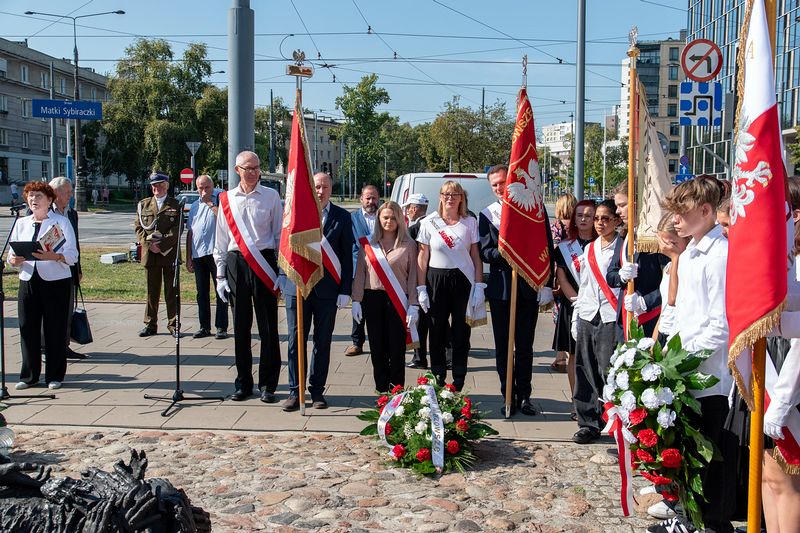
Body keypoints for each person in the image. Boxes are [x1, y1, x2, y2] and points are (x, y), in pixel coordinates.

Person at [649, 177, 734, 533]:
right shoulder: (693, 253)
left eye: (681, 213)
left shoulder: (720, 255)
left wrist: (682, 361)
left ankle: (711, 524)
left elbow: (719, 324)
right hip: (685, 370)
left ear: (705, 210)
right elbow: (684, 314)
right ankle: (688, 516)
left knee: (709, 456)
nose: (676, 221)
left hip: (707, 375)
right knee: (690, 454)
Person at [479, 164, 553, 416]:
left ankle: (525, 396)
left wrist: (546, 284)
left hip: (528, 288)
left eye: (502, 182)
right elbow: (485, 251)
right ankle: (507, 394)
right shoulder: (488, 215)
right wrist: (507, 251)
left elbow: (546, 248)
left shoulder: (534, 209)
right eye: (495, 185)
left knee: (524, 346)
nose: (499, 188)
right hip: (501, 290)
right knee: (503, 347)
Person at [213, 151, 283, 403]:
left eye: (256, 168)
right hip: (236, 263)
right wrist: (220, 275)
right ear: (237, 170)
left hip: (264, 261)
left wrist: (281, 272)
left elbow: (278, 236)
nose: (253, 172)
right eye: (248, 168)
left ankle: (268, 385)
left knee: (268, 328)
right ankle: (243, 383)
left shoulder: (272, 196)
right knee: (241, 328)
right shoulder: (227, 199)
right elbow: (220, 239)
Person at [282, 172, 353, 411]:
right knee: (295, 341)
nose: (320, 191)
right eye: (316, 186)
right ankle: (294, 390)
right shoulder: (295, 215)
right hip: (298, 287)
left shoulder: (342, 217)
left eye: (324, 186)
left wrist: (346, 289)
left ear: (331, 189)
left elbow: (346, 256)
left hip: (327, 291)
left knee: (322, 342)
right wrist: (284, 282)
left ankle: (317, 391)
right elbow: (282, 249)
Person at [8, 181, 78, 391]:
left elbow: (72, 255)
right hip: (28, 279)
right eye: (30, 196)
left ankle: (54, 376)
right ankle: (29, 375)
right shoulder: (21, 223)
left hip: (55, 282)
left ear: (49, 200)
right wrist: (13, 261)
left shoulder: (60, 222)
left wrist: (54, 256)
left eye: (38, 196)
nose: (33, 200)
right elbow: (12, 254)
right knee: (27, 327)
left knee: (54, 329)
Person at [416, 180, 484, 391]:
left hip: (463, 280)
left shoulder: (469, 222)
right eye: (446, 193)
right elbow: (422, 256)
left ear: (461, 198)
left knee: (461, 331)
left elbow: (475, 255)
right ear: (440, 197)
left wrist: (479, 285)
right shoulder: (429, 222)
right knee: (436, 329)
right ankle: (437, 375)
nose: (450, 197)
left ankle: (459, 377)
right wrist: (421, 288)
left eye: (455, 194)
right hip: (436, 279)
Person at [352, 201, 418, 392]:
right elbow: (361, 273)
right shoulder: (368, 244)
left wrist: (413, 304)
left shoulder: (409, 245)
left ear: (400, 219)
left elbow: (413, 275)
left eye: (393, 217)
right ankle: (381, 392)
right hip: (373, 299)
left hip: (398, 301)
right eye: (385, 217)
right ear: (379, 219)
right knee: (377, 349)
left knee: (396, 350)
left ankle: (396, 393)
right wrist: (356, 300)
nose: (389, 221)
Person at [571, 199, 621, 444]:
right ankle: (588, 422)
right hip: (588, 313)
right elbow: (585, 285)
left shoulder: (624, 248)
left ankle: (613, 416)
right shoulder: (589, 248)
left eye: (605, 219)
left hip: (611, 315)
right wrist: (576, 315)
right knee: (584, 368)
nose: (599, 223)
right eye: (597, 219)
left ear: (617, 221)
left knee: (606, 369)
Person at [606, 181, 668, 341]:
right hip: (625, 317)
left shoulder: (655, 236)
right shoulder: (624, 236)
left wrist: (645, 302)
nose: (618, 211)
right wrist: (621, 276)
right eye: (617, 206)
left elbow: (671, 281)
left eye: (622, 205)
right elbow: (611, 275)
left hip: (651, 320)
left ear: (636, 203)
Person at [552, 199, 597, 420]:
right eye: (579, 215)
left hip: (601, 306)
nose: (583, 219)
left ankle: (598, 401)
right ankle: (576, 402)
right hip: (575, 306)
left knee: (597, 356)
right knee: (575, 355)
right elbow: (561, 277)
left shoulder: (604, 244)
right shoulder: (565, 248)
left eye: (589, 215)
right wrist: (577, 301)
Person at [134, 172, 181, 337]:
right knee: (151, 292)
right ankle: (150, 324)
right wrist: (148, 245)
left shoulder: (176, 204)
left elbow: (177, 230)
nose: (157, 188)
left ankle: (174, 324)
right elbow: (138, 229)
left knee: (171, 291)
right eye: (154, 185)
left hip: (168, 254)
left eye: (160, 184)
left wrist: (160, 246)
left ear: (167, 185)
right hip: (151, 255)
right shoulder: (143, 205)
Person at [186, 175, 228, 340]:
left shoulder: (219, 204)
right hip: (198, 254)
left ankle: (221, 327)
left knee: (220, 291)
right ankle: (204, 326)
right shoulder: (194, 206)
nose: (203, 191)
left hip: (215, 253)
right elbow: (190, 232)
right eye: (200, 188)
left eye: (207, 187)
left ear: (212, 187)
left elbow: (222, 222)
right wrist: (188, 256)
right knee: (201, 292)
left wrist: (210, 203)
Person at [48, 177, 85, 360]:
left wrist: (78, 268)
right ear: (55, 193)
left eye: (71, 191)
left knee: (67, 308)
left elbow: (75, 244)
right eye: (67, 192)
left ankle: (64, 345)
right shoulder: (44, 212)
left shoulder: (72, 213)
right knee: (49, 310)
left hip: (69, 266)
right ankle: (45, 347)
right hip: (49, 269)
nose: (71, 195)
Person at [345, 184, 380, 357]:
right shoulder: (352, 218)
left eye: (374, 197)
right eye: (368, 198)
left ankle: (379, 342)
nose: (371, 201)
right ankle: (356, 342)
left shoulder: (385, 216)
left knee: (377, 307)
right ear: (361, 199)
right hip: (357, 269)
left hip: (380, 271)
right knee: (357, 305)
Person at [404, 193, 430, 370]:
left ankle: (420, 358)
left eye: (408, 207)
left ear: (414, 209)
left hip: (419, 280)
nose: (407, 211)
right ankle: (448, 356)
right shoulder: (430, 223)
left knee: (420, 323)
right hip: (429, 279)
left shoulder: (416, 227)